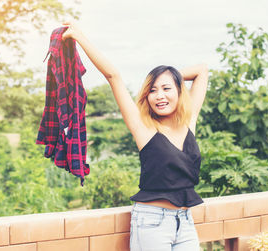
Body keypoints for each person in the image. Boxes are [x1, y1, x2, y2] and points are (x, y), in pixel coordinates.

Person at [62, 21, 208, 251]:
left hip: (186, 221)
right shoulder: (144, 129)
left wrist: (168, 76)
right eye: (152, 90)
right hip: (152, 223)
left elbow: (202, 70)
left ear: (179, 92)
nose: (159, 95)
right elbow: (113, 76)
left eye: (166, 89)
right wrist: (80, 37)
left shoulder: (189, 123)